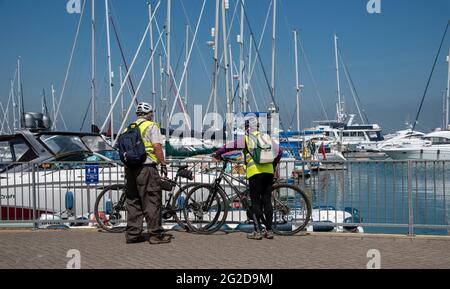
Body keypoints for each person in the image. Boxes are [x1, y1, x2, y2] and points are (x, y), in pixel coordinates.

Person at [213, 116, 282, 240]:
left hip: (255, 173)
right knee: (267, 201)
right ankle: (269, 230)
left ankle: (257, 231)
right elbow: (280, 152)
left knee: (255, 202)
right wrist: (273, 165)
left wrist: (217, 153)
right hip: (268, 173)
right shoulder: (267, 138)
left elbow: (230, 146)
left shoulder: (247, 139)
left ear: (248, 128)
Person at [124, 102, 172, 245]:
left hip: (130, 169)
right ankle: (155, 234)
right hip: (146, 168)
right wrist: (163, 163)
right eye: (152, 113)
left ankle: (133, 235)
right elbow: (156, 146)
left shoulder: (128, 128)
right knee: (151, 200)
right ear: (149, 113)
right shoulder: (151, 126)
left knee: (133, 201)